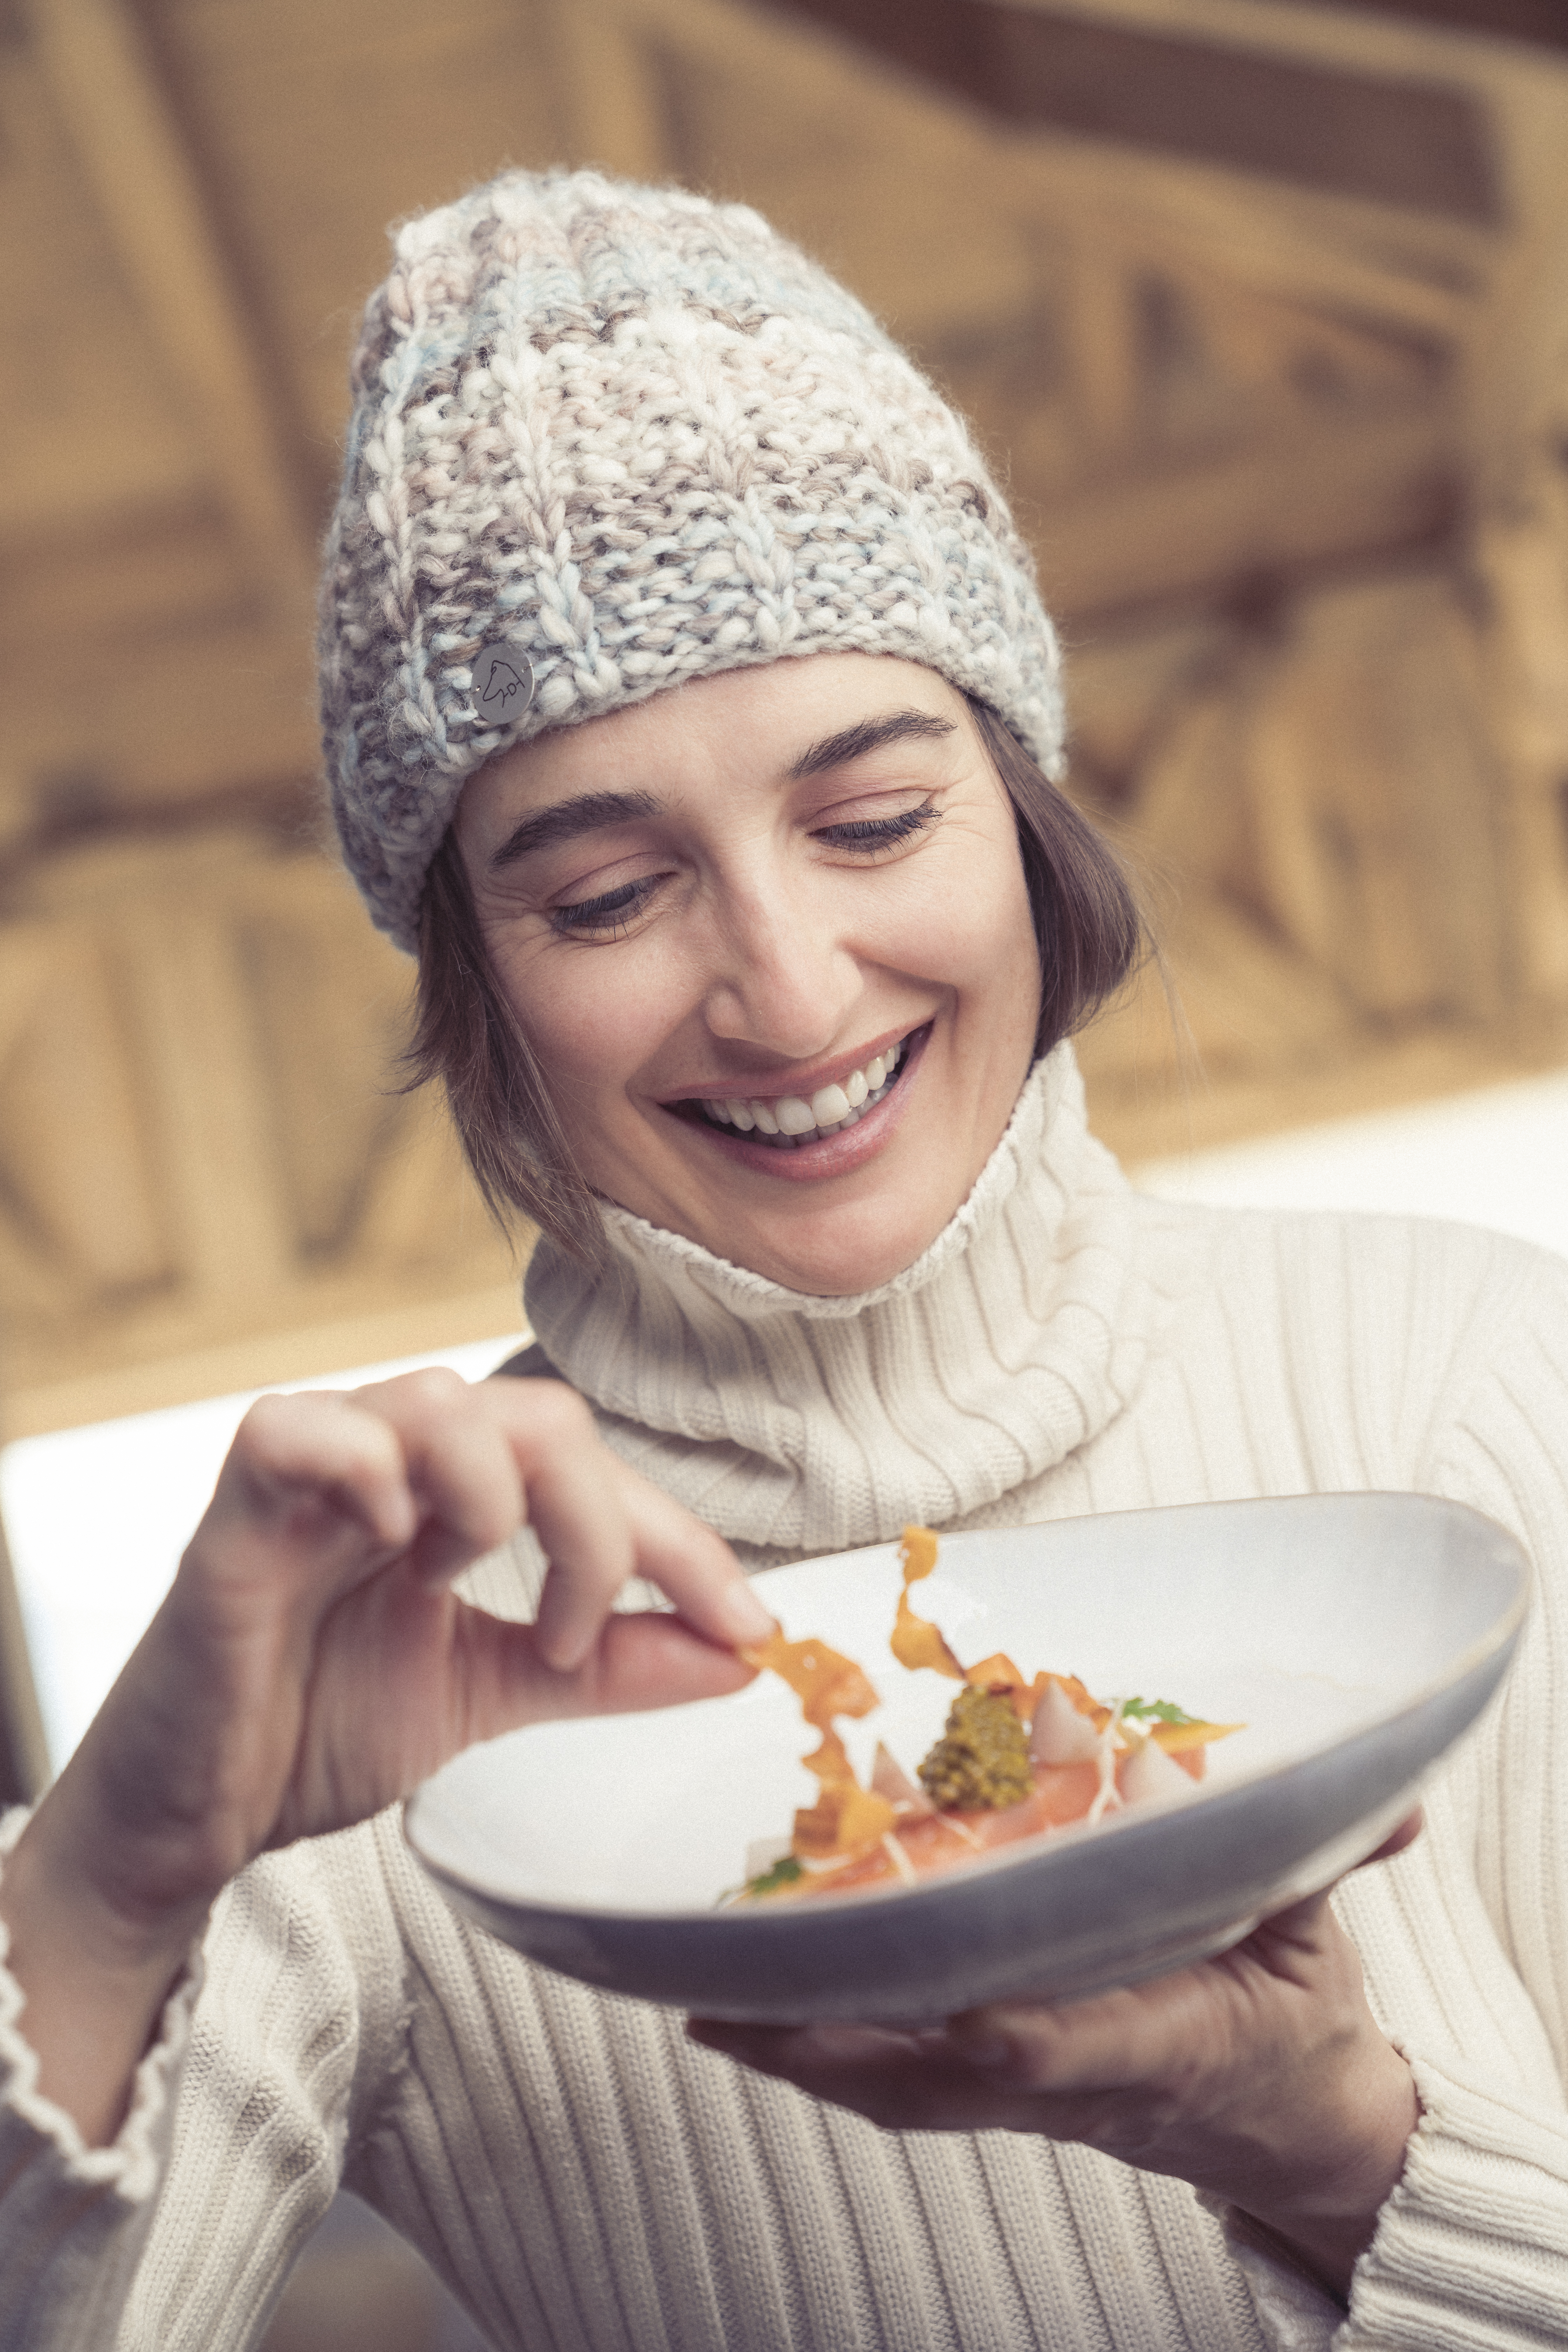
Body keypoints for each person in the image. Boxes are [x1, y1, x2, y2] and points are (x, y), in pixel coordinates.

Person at [1, 167, 1564, 2352]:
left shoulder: (1484, 1381)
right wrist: (116, 1868)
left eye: (867, 821)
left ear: (1019, 815)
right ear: (476, 978)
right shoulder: (372, 1664)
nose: (789, 989)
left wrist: (1328, 2138)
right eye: (608, 892)